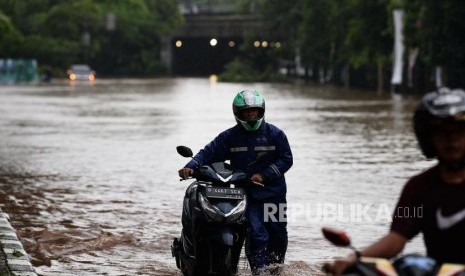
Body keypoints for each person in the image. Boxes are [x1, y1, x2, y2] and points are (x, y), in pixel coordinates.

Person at [327, 87, 465, 275]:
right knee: (411, 265)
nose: (452, 141)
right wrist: (353, 259)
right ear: (429, 139)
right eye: (443, 133)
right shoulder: (418, 187)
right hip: (440, 271)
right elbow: (396, 239)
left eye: (458, 132)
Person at [178, 90, 293, 275]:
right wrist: (190, 166)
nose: (250, 115)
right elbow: (208, 152)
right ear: (238, 114)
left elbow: (287, 159)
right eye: (246, 112)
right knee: (257, 235)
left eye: (253, 111)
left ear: (261, 111)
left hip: (275, 196)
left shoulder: (276, 134)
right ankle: (259, 272)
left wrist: (264, 175)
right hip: (247, 195)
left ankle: (275, 271)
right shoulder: (230, 137)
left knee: (278, 236)